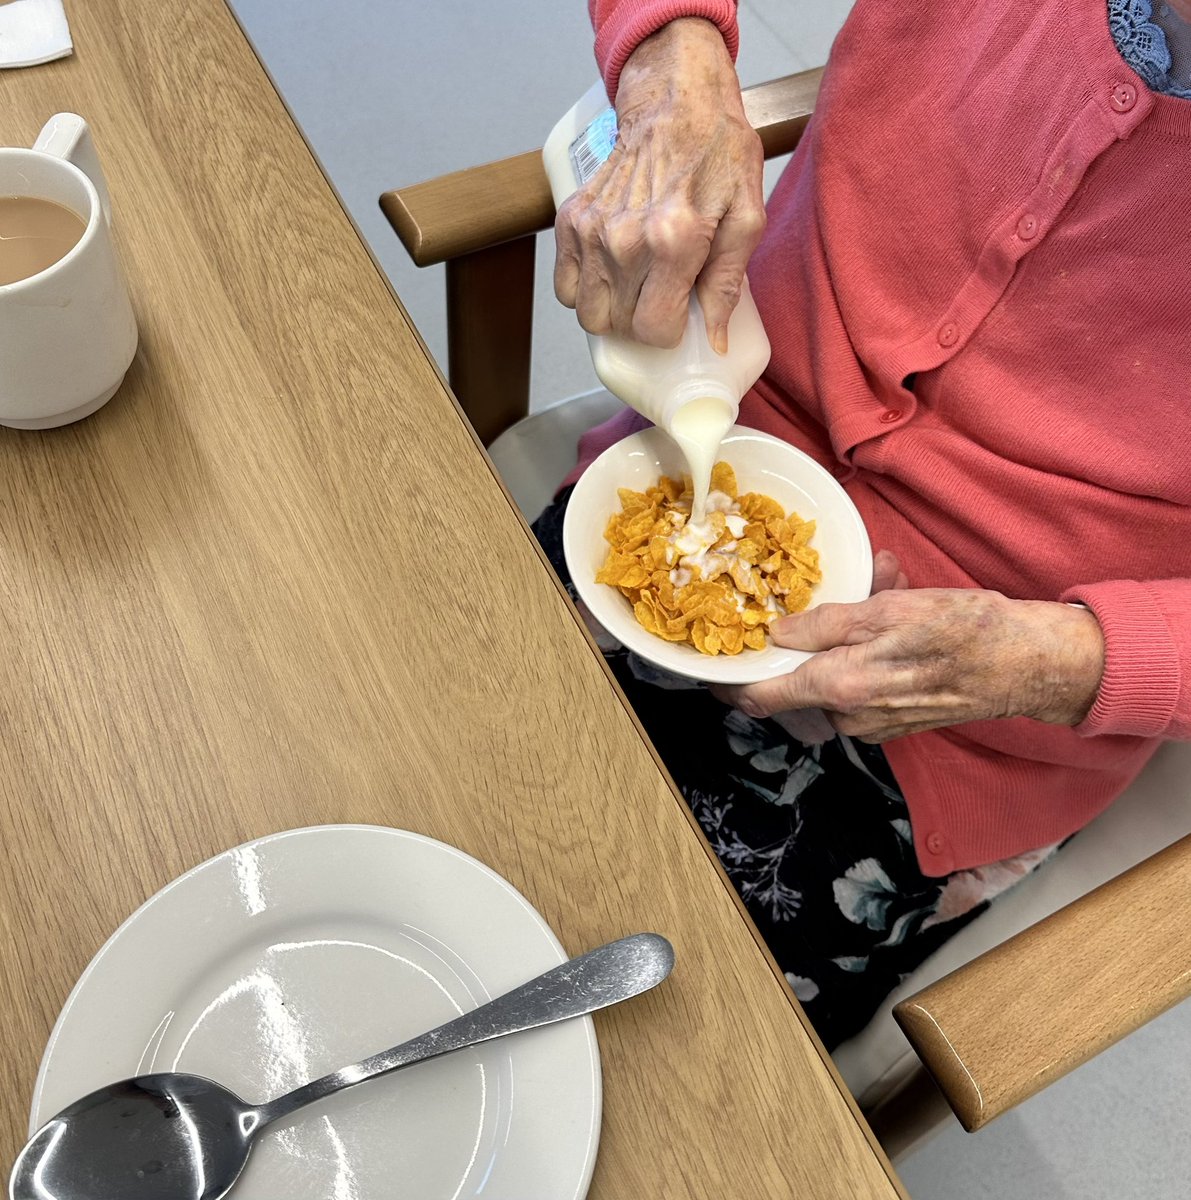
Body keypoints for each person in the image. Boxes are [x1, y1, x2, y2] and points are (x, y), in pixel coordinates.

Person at [530, 0, 1191, 1050]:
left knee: (660, 1039)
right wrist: (674, 60)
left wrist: (1061, 658)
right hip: (686, 460)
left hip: (971, 714)